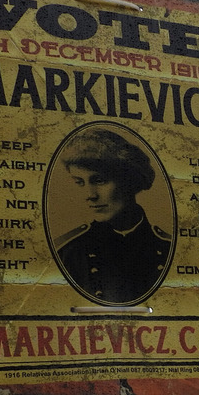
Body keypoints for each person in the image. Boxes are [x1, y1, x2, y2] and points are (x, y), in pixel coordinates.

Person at [53, 128, 171, 304]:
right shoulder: (69, 252)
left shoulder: (166, 247)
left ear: (130, 180)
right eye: (80, 182)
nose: (90, 195)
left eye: (99, 180)